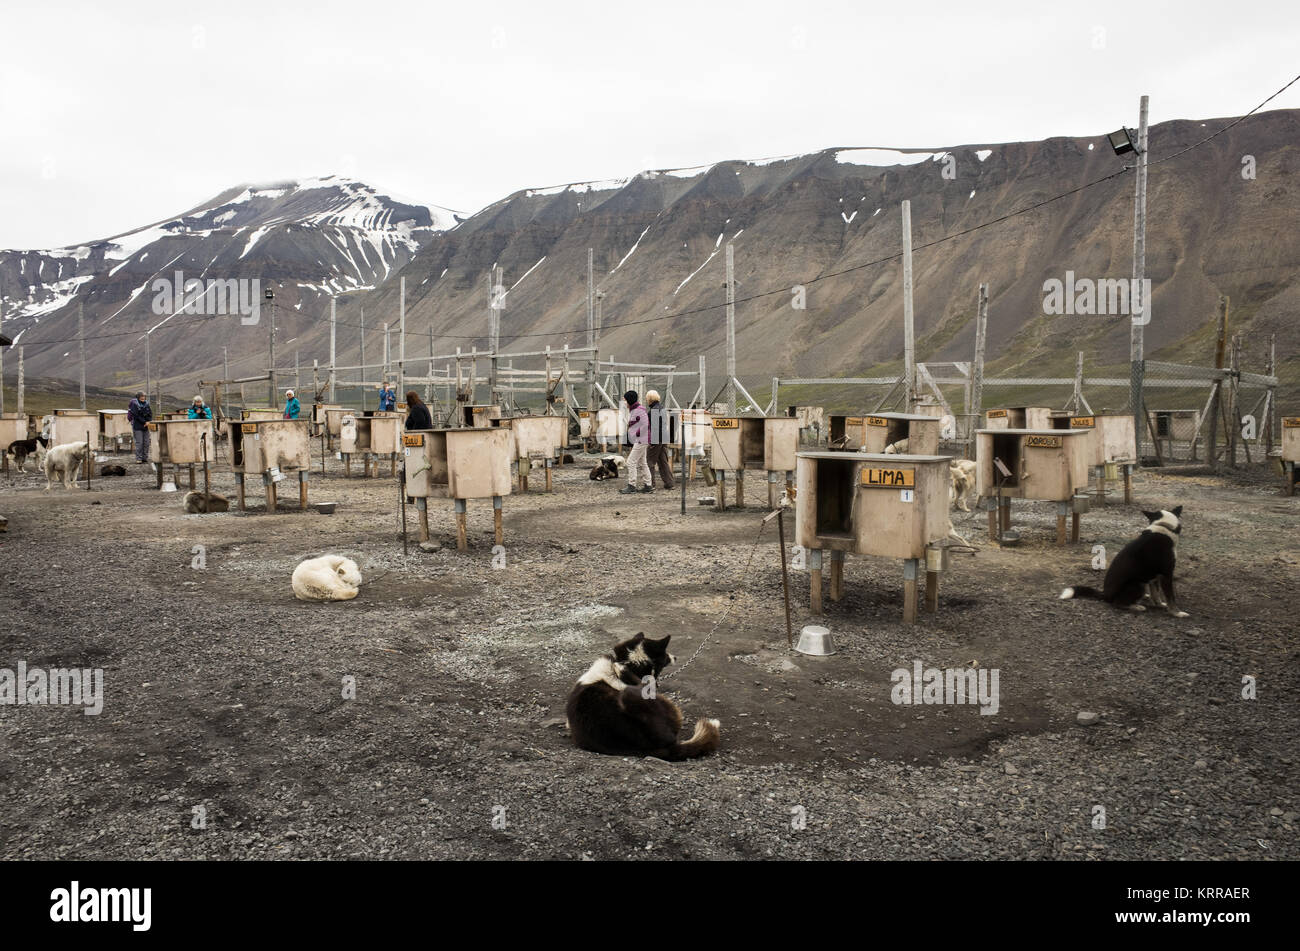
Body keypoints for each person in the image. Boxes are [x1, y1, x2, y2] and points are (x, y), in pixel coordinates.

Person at [619, 390, 652, 495]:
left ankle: (632, 485)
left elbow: (645, 425)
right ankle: (648, 485)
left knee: (630, 462)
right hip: (642, 439)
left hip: (641, 439)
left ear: (629, 400)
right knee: (642, 462)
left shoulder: (638, 410)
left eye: (625, 400)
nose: (624, 402)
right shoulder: (636, 409)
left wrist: (634, 435)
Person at [644, 389, 675, 490]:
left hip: (656, 439)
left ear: (650, 399)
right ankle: (669, 483)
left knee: (650, 461)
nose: (646, 400)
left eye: (647, 398)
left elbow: (654, 428)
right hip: (664, 438)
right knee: (663, 462)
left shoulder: (653, 411)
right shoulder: (662, 408)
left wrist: (652, 442)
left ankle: (650, 484)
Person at [127, 391, 153, 463]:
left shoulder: (147, 404)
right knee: (139, 443)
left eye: (144, 396)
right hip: (137, 426)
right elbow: (136, 415)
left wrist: (148, 421)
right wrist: (144, 422)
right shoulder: (134, 405)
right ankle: (139, 458)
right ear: (138, 397)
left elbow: (150, 413)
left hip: (146, 426)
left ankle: (145, 458)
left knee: (146, 442)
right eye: (141, 396)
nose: (143, 397)